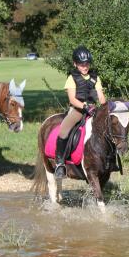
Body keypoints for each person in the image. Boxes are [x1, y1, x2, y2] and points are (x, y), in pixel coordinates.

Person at [54, 46, 107, 179]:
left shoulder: (95, 77)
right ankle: (60, 163)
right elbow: (72, 99)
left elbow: (101, 97)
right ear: (75, 64)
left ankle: (110, 159)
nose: (85, 67)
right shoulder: (72, 78)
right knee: (64, 131)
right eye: (81, 64)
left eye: (87, 64)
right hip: (77, 110)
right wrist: (85, 106)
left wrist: (103, 103)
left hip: (93, 109)